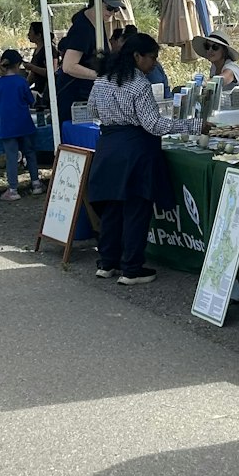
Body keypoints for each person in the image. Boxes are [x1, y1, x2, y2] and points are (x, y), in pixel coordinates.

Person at [88, 29, 174, 286]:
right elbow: (154, 125)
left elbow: (91, 109)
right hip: (136, 149)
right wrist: (190, 126)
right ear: (138, 56)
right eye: (152, 57)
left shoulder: (102, 79)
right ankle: (131, 268)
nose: (154, 63)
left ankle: (107, 262)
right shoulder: (139, 84)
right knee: (137, 207)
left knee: (112, 206)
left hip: (108, 145)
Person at [55, 0, 125, 125]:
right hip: (74, 99)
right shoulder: (83, 28)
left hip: (87, 96)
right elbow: (68, 66)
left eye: (115, 10)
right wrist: (100, 76)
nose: (112, 13)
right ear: (97, 1)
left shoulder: (98, 23)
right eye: (109, 8)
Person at [0, 49, 41, 198]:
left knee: (11, 156)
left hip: (7, 126)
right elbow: (30, 101)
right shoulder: (22, 82)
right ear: (18, 65)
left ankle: (13, 189)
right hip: (24, 123)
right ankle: (36, 183)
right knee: (30, 153)